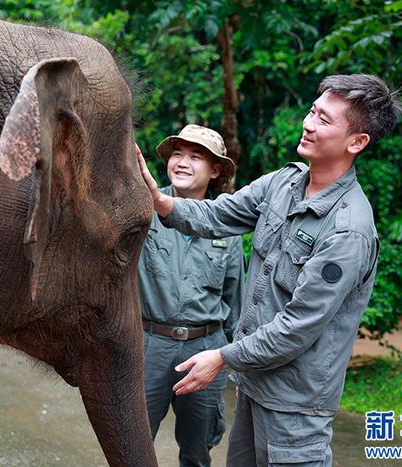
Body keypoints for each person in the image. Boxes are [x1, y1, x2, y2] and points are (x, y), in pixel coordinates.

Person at [136, 75, 402, 467]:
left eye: (324, 120)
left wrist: (222, 355)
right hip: (255, 386)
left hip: (295, 407)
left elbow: (297, 327)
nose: (309, 124)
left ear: (356, 142)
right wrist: (162, 202)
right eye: (312, 112)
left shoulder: (349, 231)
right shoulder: (284, 182)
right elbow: (219, 213)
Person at [138, 124, 246, 467]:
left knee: (198, 453)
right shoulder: (142, 210)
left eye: (195, 156)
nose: (182, 162)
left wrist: (229, 358)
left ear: (215, 170)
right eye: (177, 154)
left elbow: (236, 303)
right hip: (148, 344)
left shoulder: (227, 228)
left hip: (205, 348)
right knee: (132, 446)